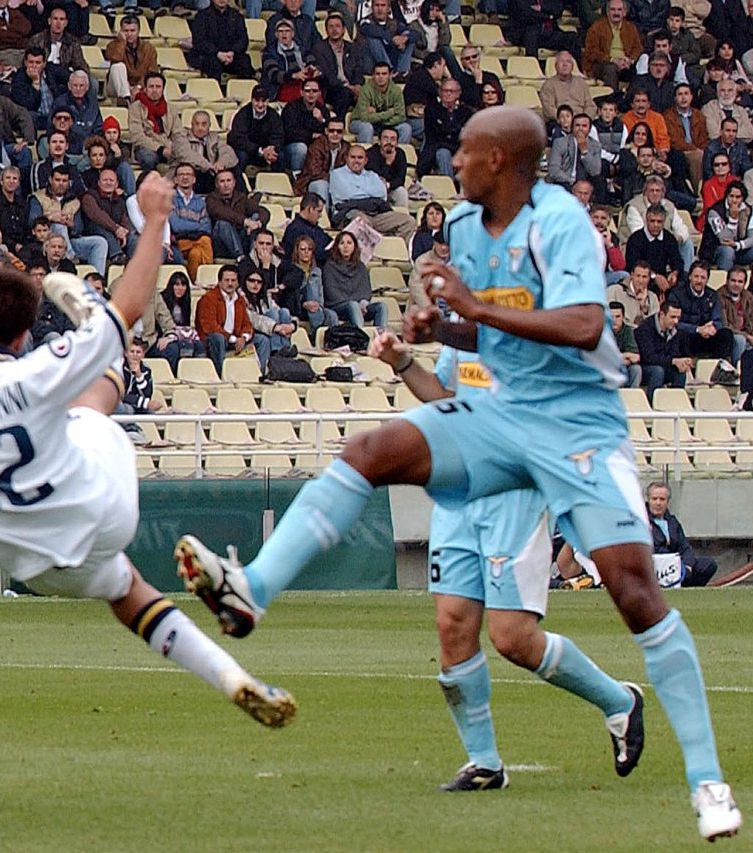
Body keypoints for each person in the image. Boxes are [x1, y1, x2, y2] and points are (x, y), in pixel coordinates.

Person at [172, 106, 742, 842]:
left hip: (575, 423)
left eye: (468, 152)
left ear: (502, 162)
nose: (455, 162)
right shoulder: (468, 233)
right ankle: (252, 591)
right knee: (371, 452)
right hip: (503, 417)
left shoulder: (561, 221)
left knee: (633, 590)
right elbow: (490, 334)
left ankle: (708, 781)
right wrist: (442, 332)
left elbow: (584, 326)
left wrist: (469, 308)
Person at [0, 179, 296, 734]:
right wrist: (153, 219)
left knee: (121, 580)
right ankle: (92, 326)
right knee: (94, 399)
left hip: (29, 563)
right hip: (98, 508)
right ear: (21, 337)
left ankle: (230, 676)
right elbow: (133, 303)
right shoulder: (31, 373)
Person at [367, 327, 644, 791]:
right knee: (452, 624)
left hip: (514, 491)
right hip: (461, 490)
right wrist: (403, 363)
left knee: (513, 638)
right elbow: (446, 399)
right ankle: (484, 762)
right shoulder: (461, 329)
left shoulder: (532, 326)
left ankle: (619, 701)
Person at [647, 482, 718, 587]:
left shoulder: (672, 522)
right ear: (649, 500)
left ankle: (686, 588)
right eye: (654, 499)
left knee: (708, 564)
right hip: (655, 566)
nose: (658, 503)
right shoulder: (641, 521)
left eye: (662, 499)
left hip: (677, 565)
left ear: (667, 501)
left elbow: (684, 546)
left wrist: (688, 564)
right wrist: (674, 560)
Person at [197, 263, 262, 374]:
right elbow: (210, 327)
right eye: (227, 280)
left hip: (236, 339)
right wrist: (233, 339)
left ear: (237, 283)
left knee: (262, 340)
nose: (230, 283)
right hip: (213, 340)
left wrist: (243, 338)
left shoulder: (240, 300)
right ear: (220, 281)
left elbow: (247, 323)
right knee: (218, 338)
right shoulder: (208, 299)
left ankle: (260, 374)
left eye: (233, 280)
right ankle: (221, 373)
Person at [322, 231, 382, 328]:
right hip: (339, 306)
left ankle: (381, 338)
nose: (346, 246)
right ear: (337, 246)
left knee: (381, 307)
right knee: (352, 305)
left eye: (349, 243)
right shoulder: (329, 267)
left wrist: (362, 303)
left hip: (360, 306)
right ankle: (360, 338)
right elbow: (331, 293)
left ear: (354, 246)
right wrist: (355, 304)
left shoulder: (361, 266)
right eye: (342, 243)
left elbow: (365, 290)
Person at [635, 294, 691, 399]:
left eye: (678, 317)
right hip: (644, 368)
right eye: (672, 317)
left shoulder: (675, 330)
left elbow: (674, 353)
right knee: (657, 371)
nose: (676, 321)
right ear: (661, 314)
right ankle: (652, 404)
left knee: (680, 372)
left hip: (663, 365)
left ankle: (675, 404)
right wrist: (673, 361)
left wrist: (682, 362)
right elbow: (649, 357)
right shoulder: (645, 329)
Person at [349, 62, 411, 145]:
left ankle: (396, 155)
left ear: (390, 75)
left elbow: (401, 116)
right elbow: (364, 118)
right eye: (377, 74)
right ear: (373, 75)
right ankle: (366, 156)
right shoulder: (365, 90)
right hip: (359, 122)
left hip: (386, 124)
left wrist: (380, 120)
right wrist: (390, 112)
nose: (381, 77)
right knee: (367, 127)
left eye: (384, 74)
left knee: (406, 128)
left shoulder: (396, 91)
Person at [155, 270, 206, 372]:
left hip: (178, 335)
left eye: (183, 285)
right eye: (177, 284)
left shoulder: (186, 302)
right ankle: (177, 373)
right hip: (163, 336)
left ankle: (196, 372)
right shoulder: (161, 300)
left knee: (199, 345)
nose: (180, 288)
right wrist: (170, 336)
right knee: (182, 346)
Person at [610, 300, 643, 388]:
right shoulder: (601, 331)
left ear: (623, 317)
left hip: (623, 366)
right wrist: (625, 355)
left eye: (617, 316)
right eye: (611, 317)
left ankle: (632, 397)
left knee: (636, 369)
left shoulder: (628, 330)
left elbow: (635, 357)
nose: (614, 320)